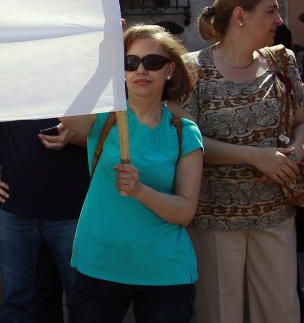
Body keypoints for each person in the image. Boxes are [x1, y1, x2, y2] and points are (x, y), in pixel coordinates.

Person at [176, 0, 304, 323]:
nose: (280, 20)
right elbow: (186, 141)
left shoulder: (282, 61)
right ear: (240, 15)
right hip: (215, 216)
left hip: (275, 212)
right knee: (220, 314)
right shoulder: (193, 69)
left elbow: (302, 120)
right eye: (271, 11)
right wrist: (254, 156)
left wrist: (294, 153)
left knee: (281, 312)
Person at [61, 24, 203, 322]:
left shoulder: (184, 132)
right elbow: (64, 111)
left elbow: (184, 211)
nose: (141, 69)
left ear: (169, 70)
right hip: (99, 265)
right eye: (129, 62)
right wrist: (103, 65)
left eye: (152, 62)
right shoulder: (102, 119)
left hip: (165, 273)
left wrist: (141, 191)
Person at [0, 118, 88, 323]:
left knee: (81, 297)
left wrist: (75, 136)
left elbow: (105, 133)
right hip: (16, 211)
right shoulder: (10, 86)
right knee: (16, 300)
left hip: (71, 211)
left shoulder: (74, 86)